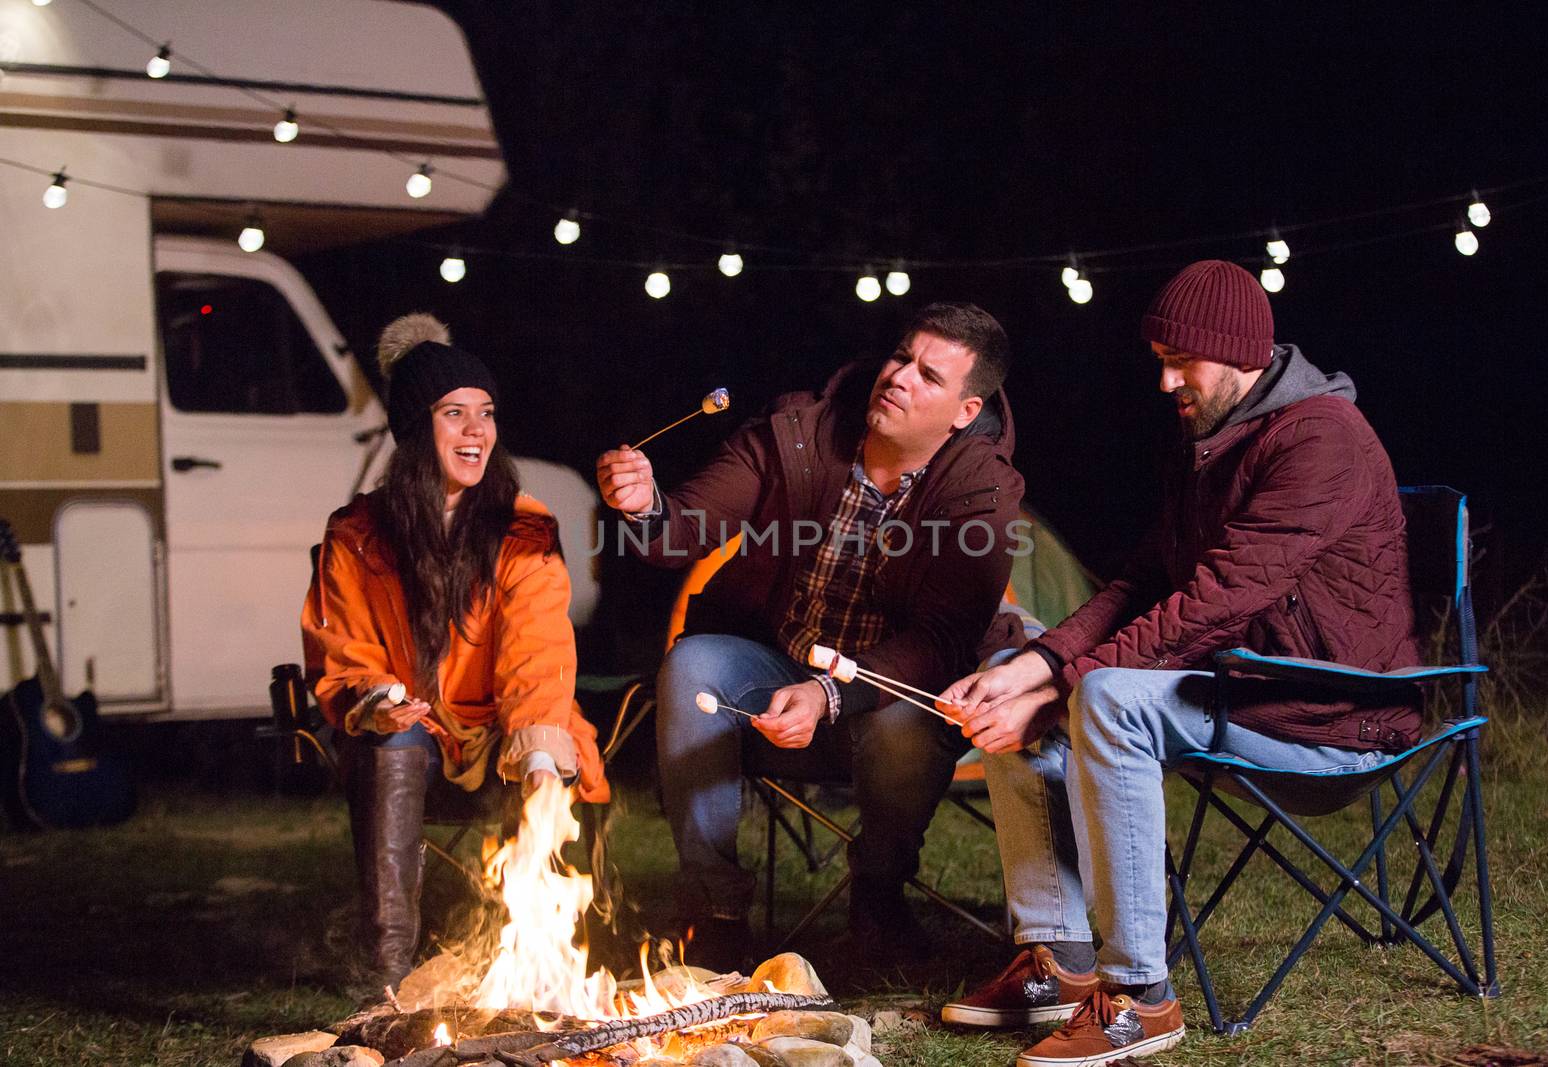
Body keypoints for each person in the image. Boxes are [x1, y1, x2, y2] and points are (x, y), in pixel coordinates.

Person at [938, 260, 1423, 1067]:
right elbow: (1144, 580)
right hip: (1248, 694)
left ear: (1239, 354)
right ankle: (1058, 958)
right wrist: (1036, 665)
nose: (1164, 381)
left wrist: (1066, 683)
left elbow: (1217, 600)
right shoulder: (1211, 437)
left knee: (1110, 697)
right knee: (1031, 697)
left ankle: (1140, 999)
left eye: (1179, 361)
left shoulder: (1322, 439)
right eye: (1158, 359)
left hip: (1336, 717)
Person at [595, 303, 1025, 969]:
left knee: (902, 721)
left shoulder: (981, 488)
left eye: (929, 376)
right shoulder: (799, 434)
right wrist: (645, 504)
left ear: (965, 411)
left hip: (890, 693)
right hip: (778, 663)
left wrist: (829, 694)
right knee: (692, 663)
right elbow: (682, 529)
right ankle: (713, 909)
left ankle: (878, 893)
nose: (900, 378)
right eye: (900, 357)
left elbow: (942, 638)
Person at [302, 313, 609, 993]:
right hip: (405, 737)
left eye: (487, 413)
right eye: (454, 413)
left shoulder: (523, 532)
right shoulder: (356, 536)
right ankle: (384, 971)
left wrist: (535, 750)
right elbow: (342, 648)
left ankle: (526, 968)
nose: (477, 430)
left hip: (500, 728)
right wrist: (378, 700)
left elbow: (538, 653)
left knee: (546, 749)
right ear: (416, 429)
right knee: (395, 739)